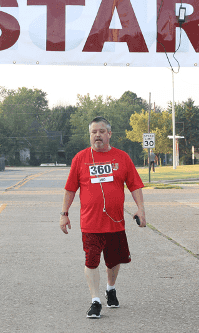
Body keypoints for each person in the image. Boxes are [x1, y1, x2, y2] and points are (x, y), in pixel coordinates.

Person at [60, 116, 146, 319]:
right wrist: (64, 214)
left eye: (101, 131)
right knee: (91, 261)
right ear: (90, 135)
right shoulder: (80, 158)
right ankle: (95, 301)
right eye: (93, 132)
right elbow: (70, 189)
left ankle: (111, 288)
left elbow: (134, 185)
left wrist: (141, 209)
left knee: (114, 261)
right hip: (91, 223)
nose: (97, 135)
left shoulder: (122, 157)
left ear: (109, 134)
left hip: (115, 222)